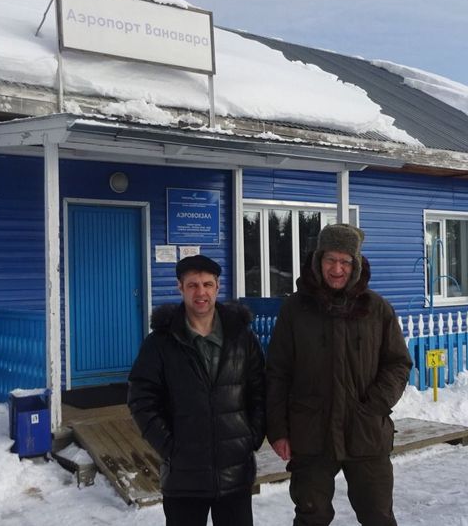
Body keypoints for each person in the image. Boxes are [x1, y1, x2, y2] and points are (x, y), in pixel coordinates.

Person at [266, 224, 413, 526]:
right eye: (330, 259)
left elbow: (398, 364)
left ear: (355, 265)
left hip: (366, 432)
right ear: (318, 261)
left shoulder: (376, 309)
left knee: (378, 516)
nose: (337, 269)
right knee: (311, 516)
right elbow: (277, 372)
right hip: (311, 434)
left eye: (345, 261)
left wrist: (374, 406)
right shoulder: (295, 309)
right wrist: (278, 430)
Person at [128, 254, 266, 526]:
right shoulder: (160, 342)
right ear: (180, 288)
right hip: (183, 476)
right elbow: (141, 399)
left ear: (217, 287)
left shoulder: (242, 337)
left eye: (207, 284)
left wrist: (251, 437)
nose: (200, 292)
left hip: (234, 473)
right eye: (192, 285)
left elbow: (260, 390)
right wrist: (169, 447)